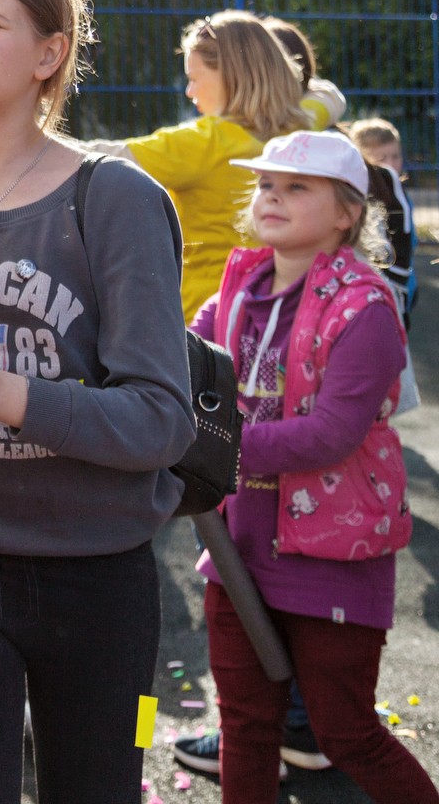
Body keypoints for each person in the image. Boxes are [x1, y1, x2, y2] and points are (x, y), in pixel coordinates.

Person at [0, 0, 195, 804]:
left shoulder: (115, 197)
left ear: (49, 54)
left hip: (100, 574)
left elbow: (160, 421)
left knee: (100, 788)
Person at [185, 130, 435, 804]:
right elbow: (185, 364)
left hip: (332, 553)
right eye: (266, 185)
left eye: (297, 187)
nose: (273, 197)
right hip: (239, 545)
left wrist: (216, 448)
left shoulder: (366, 306)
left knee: (346, 732)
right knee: (244, 726)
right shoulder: (238, 288)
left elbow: (331, 434)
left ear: (347, 212)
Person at [83, 10, 307, 321]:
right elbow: (329, 97)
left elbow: (100, 159)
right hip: (281, 313)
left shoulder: (207, 142)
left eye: (194, 79)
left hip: (207, 318)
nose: (189, 92)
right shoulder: (302, 132)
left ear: (230, 76)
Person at [349, 118, 417, 325]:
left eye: (396, 156)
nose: (391, 164)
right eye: (381, 158)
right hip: (382, 282)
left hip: (402, 281)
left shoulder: (397, 191)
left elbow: (407, 240)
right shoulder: (360, 195)